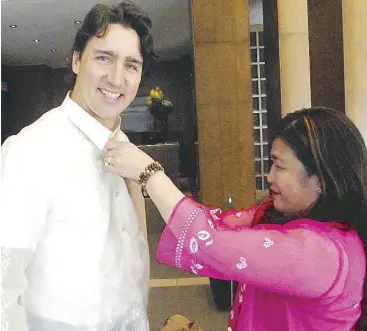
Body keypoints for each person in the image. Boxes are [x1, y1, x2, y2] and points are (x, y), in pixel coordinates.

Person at [103, 107, 367, 331]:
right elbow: (216, 225)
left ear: (320, 178)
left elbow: (211, 242)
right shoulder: (281, 217)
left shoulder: (325, 255)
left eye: (280, 166)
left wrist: (149, 173)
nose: (270, 177)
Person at [1, 2, 155, 330]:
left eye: (131, 65)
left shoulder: (125, 147)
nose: (117, 78)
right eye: (104, 57)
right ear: (76, 60)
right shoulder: (30, 152)